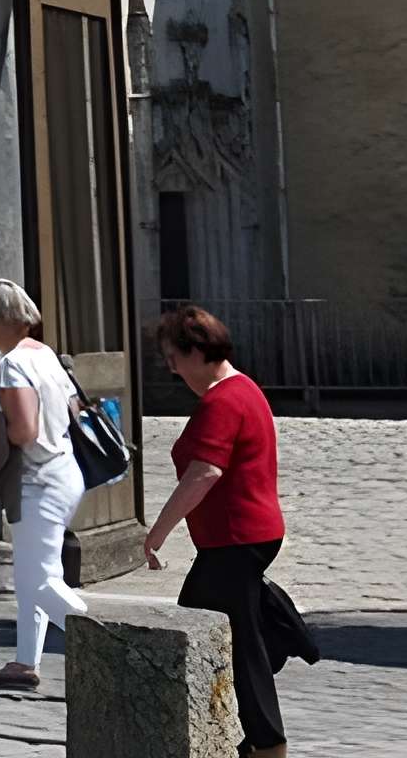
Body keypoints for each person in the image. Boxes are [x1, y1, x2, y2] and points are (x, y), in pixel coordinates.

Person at [140, 304, 288, 758]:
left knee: (226, 643)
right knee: (224, 633)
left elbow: (204, 473)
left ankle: (267, 744)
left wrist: (157, 534)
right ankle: (281, 636)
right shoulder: (244, 389)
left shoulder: (222, 401)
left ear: (198, 352)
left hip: (235, 540)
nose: (170, 368)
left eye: (173, 356)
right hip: (244, 537)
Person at [0, 278, 87, 692]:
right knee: (36, 574)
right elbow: (68, 409)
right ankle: (24, 662)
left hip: (36, 481)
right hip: (64, 470)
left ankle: (114, 642)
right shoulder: (45, 355)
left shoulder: (13, 364)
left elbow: (23, 432)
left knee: (39, 582)